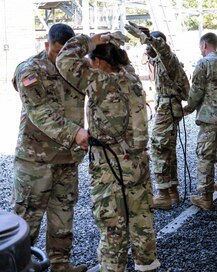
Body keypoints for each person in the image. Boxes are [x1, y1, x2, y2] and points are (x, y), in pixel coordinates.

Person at [56, 32, 160, 271]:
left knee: (113, 229)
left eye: (91, 60)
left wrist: (90, 40)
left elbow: (64, 61)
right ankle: (148, 267)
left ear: (100, 62)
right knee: (142, 222)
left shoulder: (100, 82)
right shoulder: (131, 78)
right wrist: (109, 44)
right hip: (138, 164)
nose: (88, 65)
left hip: (110, 169)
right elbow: (123, 63)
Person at [11, 23, 88, 272]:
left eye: (67, 53)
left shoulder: (77, 68)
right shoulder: (29, 69)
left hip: (67, 159)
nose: (61, 58)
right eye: (57, 52)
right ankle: (18, 267)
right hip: (36, 161)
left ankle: (60, 263)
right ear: (47, 46)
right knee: (26, 218)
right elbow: (40, 111)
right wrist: (75, 133)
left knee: (63, 214)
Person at [126, 22, 190, 210]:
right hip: (167, 107)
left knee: (159, 148)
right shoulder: (159, 61)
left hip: (167, 108)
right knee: (168, 150)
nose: (148, 50)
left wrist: (150, 40)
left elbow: (162, 49)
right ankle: (171, 191)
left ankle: (163, 194)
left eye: (149, 47)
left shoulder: (167, 58)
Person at [183, 32, 217, 211]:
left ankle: (205, 197)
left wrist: (188, 108)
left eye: (200, 47)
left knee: (205, 155)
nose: (200, 50)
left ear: (204, 45)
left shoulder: (203, 63)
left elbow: (197, 90)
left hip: (210, 118)